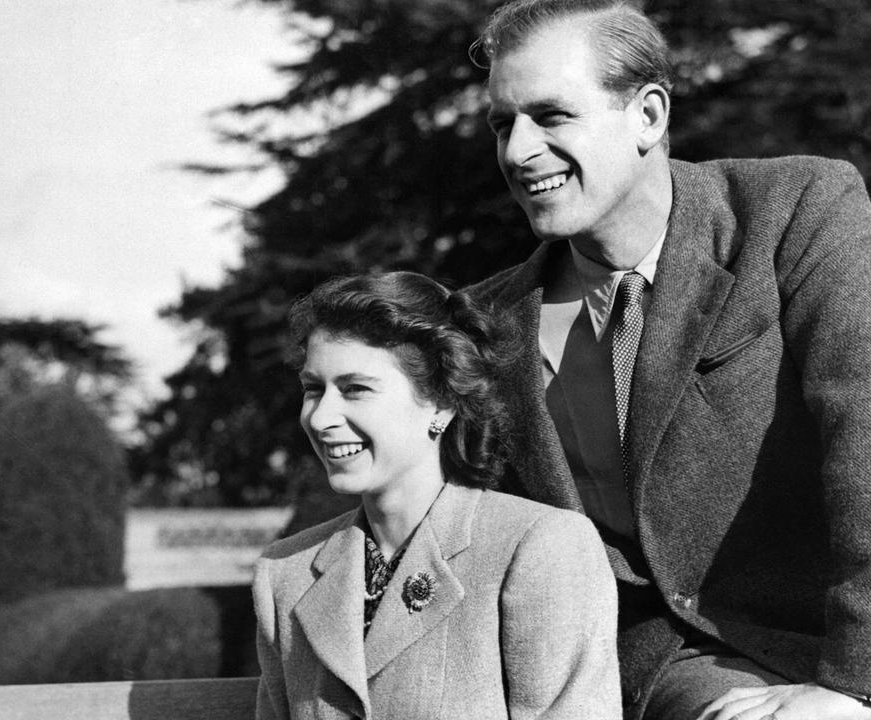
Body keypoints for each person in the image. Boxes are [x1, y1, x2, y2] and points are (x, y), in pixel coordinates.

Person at [466, 1, 871, 719]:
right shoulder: (486, 327)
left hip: (870, 655)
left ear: (647, 115)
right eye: (501, 123)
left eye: (550, 117)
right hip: (667, 674)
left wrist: (855, 688)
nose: (517, 151)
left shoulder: (793, 212)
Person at [251, 271, 621, 720]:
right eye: (313, 389)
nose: (321, 416)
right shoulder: (285, 574)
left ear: (442, 402)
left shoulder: (538, 546)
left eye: (355, 389)